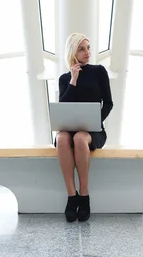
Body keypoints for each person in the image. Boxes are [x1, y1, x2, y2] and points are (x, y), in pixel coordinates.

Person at [54, 33, 113, 222]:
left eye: (88, 47)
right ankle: (72, 196)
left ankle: (85, 196)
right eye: (82, 48)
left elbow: (109, 103)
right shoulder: (65, 79)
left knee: (80, 137)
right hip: (69, 130)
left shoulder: (99, 71)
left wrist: (96, 121)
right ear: (73, 52)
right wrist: (73, 80)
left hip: (93, 132)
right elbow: (62, 107)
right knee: (62, 138)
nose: (87, 52)